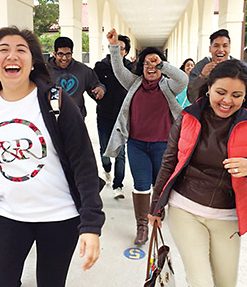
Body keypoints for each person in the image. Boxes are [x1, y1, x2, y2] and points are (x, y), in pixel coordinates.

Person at [0, 26, 105, 287]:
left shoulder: (55, 101)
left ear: (33, 62)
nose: (12, 56)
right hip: (6, 214)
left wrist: (91, 223)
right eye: (4, 50)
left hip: (60, 216)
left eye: (21, 50)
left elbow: (84, 164)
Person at [148, 59, 247, 287]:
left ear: (245, 96)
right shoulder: (189, 118)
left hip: (228, 216)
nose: (227, 101)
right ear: (209, 88)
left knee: (226, 283)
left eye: (236, 95)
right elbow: (169, 162)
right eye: (221, 92)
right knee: (201, 282)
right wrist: (156, 206)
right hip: (185, 209)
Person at [104, 28, 188, 245]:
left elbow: (183, 79)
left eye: (156, 65)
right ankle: (142, 226)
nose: (150, 68)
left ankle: (157, 215)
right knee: (141, 185)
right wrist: (114, 46)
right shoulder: (133, 84)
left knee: (158, 185)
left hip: (163, 146)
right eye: (146, 64)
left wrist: (160, 63)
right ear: (140, 68)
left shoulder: (168, 86)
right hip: (137, 145)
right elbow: (118, 70)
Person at [94, 34, 134, 199]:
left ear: (125, 51)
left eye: (122, 48)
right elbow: (93, 86)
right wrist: (98, 96)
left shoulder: (131, 68)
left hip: (123, 116)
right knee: (105, 150)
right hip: (104, 114)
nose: (118, 50)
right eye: (115, 46)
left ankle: (118, 185)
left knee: (120, 152)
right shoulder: (101, 66)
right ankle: (106, 169)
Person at [187, 29, 247, 103]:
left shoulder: (242, 67)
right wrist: (202, 77)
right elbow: (191, 97)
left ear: (229, 48)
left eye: (225, 46)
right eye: (216, 46)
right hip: (206, 112)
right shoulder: (201, 67)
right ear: (210, 48)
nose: (221, 50)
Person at [48, 36, 105, 118]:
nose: (64, 58)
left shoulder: (83, 70)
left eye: (68, 54)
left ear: (72, 53)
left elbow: (96, 84)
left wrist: (100, 89)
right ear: (54, 54)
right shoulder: (44, 71)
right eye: (60, 54)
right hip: (51, 120)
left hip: (76, 119)